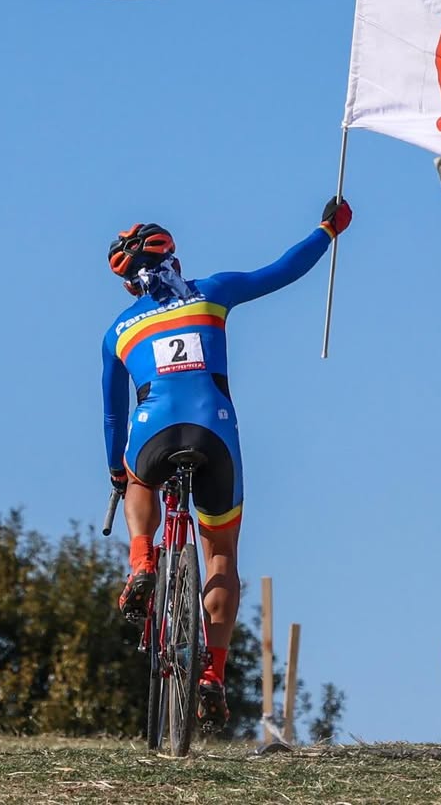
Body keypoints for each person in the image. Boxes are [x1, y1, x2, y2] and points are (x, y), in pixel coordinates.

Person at [102, 198, 352, 729]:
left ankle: (143, 558)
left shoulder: (117, 331)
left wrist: (116, 474)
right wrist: (327, 229)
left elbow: (112, 413)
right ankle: (212, 672)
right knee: (221, 557)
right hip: (215, 430)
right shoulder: (211, 292)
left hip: (152, 430)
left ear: (128, 284)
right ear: (175, 257)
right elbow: (283, 270)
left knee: (135, 471)